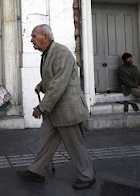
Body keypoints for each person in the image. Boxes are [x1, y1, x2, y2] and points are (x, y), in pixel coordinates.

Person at [17, 24, 95, 190]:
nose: (31, 40)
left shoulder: (61, 53)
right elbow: (52, 79)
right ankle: (37, 171)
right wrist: (41, 85)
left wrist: (42, 107)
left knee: (75, 145)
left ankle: (88, 175)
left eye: (34, 36)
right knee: (45, 141)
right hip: (55, 110)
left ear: (45, 36)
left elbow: (59, 83)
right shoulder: (47, 54)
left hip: (67, 109)